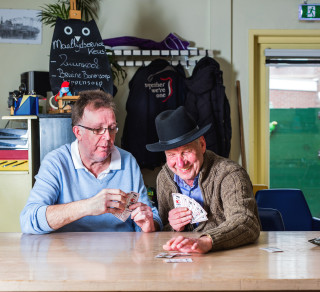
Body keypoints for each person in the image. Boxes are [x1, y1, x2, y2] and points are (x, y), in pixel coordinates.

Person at [20, 90, 162, 234]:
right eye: (98, 129)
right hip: (68, 253)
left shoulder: (128, 161)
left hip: (122, 253)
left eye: (112, 128)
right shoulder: (56, 162)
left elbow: (152, 217)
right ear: (78, 132)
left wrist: (149, 224)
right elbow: (29, 220)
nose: (107, 137)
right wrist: (88, 206)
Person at [146, 106, 260, 253]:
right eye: (171, 155)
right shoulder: (164, 178)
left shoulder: (230, 174)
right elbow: (166, 231)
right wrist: (174, 226)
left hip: (229, 257)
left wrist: (207, 241)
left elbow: (246, 222)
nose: (180, 164)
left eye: (186, 152)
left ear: (202, 144)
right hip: (185, 257)